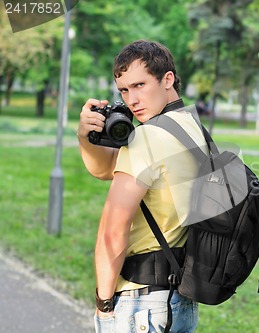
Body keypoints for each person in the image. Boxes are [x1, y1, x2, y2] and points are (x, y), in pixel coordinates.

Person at [77, 40, 204, 333]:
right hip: (178, 302)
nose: (132, 100)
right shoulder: (192, 129)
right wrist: (86, 137)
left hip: (141, 307)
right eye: (124, 90)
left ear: (167, 79)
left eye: (140, 85)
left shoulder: (148, 138)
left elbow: (112, 231)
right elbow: (106, 169)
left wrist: (104, 306)